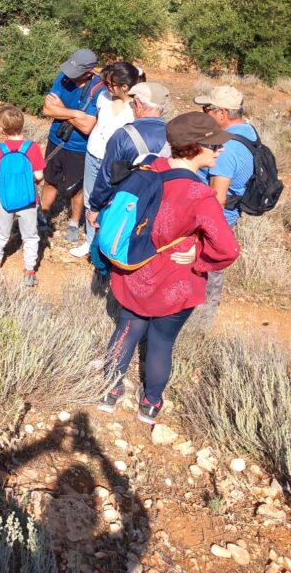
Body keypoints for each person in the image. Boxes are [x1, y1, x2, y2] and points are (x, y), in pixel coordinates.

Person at [96, 112, 240, 424]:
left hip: (134, 270)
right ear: (195, 148)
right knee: (162, 341)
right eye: (215, 145)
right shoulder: (200, 195)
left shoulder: (147, 169)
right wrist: (200, 255)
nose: (220, 150)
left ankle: (109, 392)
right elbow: (228, 249)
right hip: (175, 281)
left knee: (127, 328)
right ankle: (150, 403)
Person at [192, 85, 257, 325]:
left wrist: (202, 231)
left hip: (216, 220)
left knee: (207, 270)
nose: (203, 113)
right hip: (230, 215)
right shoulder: (248, 130)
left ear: (222, 113)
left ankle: (200, 325)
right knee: (212, 270)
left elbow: (217, 197)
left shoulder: (226, 148)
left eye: (207, 109)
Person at [70, 62, 141, 258]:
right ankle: (90, 242)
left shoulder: (135, 108)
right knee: (90, 199)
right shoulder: (103, 97)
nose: (106, 87)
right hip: (93, 153)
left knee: (112, 202)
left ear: (125, 86)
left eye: (111, 84)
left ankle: (106, 246)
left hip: (116, 163)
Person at [40, 49, 103, 243]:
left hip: (79, 149)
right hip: (56, 140)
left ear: (89, 72)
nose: (68, 76)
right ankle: (42, 216)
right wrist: (76, 113)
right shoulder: (64, 76)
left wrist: (62, 110)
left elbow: (87, 127)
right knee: (50, 180)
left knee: (76, 189)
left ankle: (74, 223)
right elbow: (47, 109)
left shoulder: (98, 89)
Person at [87, 81, 171, 226]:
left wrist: (95, 207)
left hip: (124, 207)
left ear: (138, 104)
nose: (132, 108)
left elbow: (107, 176)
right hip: (158, 207)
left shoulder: (123, 136)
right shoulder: (174, 135)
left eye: (132, 104)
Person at [0, 105, 46, 287]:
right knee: (30, 237)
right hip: (28, 201)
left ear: (2, 128)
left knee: (1, 232)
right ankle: (29, 270)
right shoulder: (32, 148)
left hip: (4, 200)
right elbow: (39, 176)